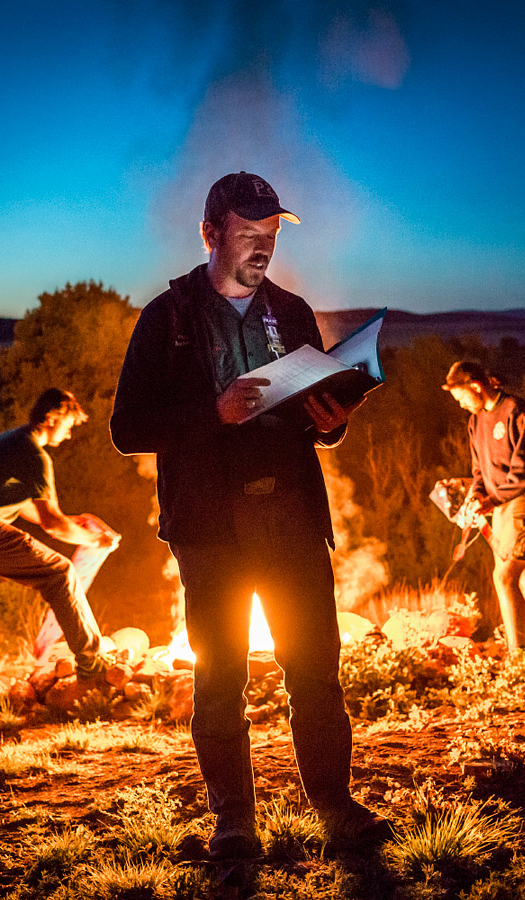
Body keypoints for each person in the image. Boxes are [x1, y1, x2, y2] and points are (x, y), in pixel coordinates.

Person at [111, 172, 392, 859]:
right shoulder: (167, 318)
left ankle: (334, 803)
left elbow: (312, 420)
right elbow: (126, 427)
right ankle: (234, 821)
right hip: (209, 531)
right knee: (219, 680)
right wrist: (213, 412)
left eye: (269, 236)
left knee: (316, 673)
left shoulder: (292, 312)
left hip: (293, 519)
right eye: (247, 234)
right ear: (209, 234)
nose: (262, 248)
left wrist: (333, 422)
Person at [0, 388, 119, 731]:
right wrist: (96, 540)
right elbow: (53, 524)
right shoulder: (34, 454)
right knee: (60, 573)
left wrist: (81, 524)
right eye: (68, 424)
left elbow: (34, 510)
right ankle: (91, 662)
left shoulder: (13, 442)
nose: (69, 432)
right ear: (51, 418)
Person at [439, 361, 525, 653]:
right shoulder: (475, 421)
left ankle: (518, 657)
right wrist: (477, 496)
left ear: (476, 387)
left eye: (462, 398)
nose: (462, 405)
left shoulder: (516, 411)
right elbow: (478, 471)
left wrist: (492, 499)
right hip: (499, 504)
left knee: (503, 577)